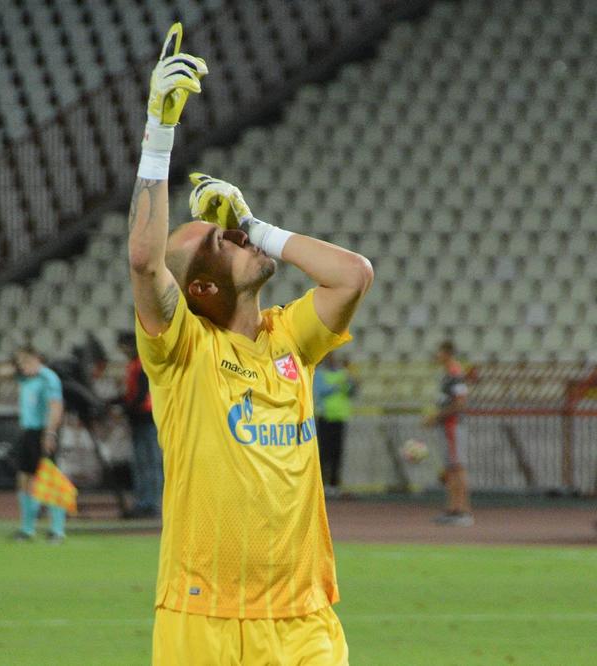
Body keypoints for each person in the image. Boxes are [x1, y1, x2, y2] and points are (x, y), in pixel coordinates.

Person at [129, 24, 373, 664]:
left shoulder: (288, 336)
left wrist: (256, 226)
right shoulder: (183, 351)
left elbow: (353, 274)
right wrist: (159, 134)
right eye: (220, 241)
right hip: (202, 618)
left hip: (304, 618)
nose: (230, 234)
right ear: (204, 291)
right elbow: (142, 261)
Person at [9, 346, 66, 543]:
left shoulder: (48, 378)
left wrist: (50, 433)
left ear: (36, 359)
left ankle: (57, 530)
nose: (22, 366)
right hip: (28, 432)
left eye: (25, 362)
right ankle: (27, 529)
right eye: (20, 363)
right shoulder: (26, 379)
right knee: (24, 478)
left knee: (49, 479)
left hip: (43, 432)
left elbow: (56, 406)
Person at [425, 340, 473, 526]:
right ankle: (454, 508)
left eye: (439, 352)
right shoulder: (447, 374)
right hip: (447, 426)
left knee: (457, 467)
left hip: (452, 425)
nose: (436, 356)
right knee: (452, 468)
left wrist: (437, 417)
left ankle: (461, 510)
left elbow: (460, 402)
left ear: (446, 353)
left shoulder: (455, 373)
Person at [116, 330, 161, 519]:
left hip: (147, 417)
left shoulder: (141, 364)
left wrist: (124, 408)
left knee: (150, 462)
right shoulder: (135, 364)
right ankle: (144, 501)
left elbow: (142, 395)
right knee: (142, 463)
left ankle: (151, 502)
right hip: (140, 418)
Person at [313, 352, 356, 496]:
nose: (331, 360)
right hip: (325, 416)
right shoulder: (319, 374)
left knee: (337, 453)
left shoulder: (343, 373)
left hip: (340, 416)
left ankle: (334, 484)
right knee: (324, 453)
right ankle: (322, 484)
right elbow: (321, 391)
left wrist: (351, 380)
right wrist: (339, 384)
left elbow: (350, 391)